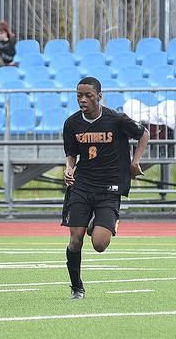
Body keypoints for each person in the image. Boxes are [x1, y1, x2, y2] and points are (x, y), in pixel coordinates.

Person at [62, 76, 150, 299]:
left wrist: (134, 161)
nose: (83, 100)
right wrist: (69, 168)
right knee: (75, 240)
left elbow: (144, 133)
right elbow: (71, 153)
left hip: (109, 188)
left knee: (99, 244)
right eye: (79, 96)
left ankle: (101, 223)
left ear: (99, 96)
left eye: (88, 96)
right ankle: (76, 287)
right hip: (82, 185)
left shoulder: (116, 120)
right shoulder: (72, 123)